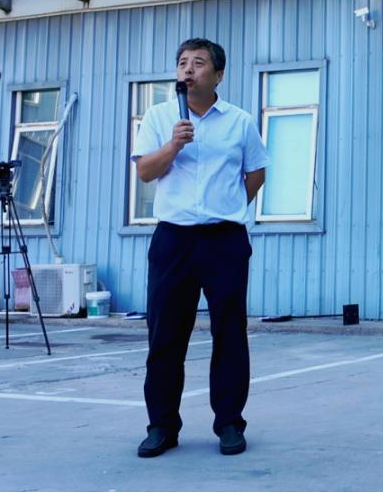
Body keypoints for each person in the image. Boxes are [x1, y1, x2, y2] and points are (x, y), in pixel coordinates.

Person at [131, 38, 268, 457]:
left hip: (224, 240)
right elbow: (145, 172)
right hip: (173, 239)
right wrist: (173, 144)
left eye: (199, 63)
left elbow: (256, 174)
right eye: (182, 63)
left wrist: (227, 208)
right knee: (165, 334)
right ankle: (161, 426)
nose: (188, 70)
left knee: (230, 332)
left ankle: (229, 423)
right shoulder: (158, 116)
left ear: (218, 75)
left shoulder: (240, 122)